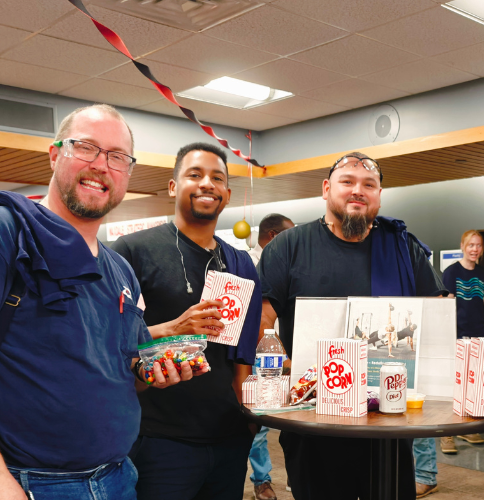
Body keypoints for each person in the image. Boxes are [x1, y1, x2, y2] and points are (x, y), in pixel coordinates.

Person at [0, 104, 204, 500]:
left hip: (118, 477)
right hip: (31, 483)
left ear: (127, 173)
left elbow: (121, 366)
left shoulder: (120, 271)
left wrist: (152, 371)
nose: (101, 165)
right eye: (86, 148)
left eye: (116, 157)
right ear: (56, 154)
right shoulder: (12, 231)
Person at [256, 152, 445, 500]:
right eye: (347, 182)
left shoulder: (403, 247)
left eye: (369, 185)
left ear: (379, 194)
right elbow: (263, 318)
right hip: (313, 421)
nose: (358, 191)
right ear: (327, 189)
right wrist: (283, 366)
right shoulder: (289, 246)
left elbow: (436, 313)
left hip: (388, 423)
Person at [111, 142, 262, 500]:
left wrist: (248, 415)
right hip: (160, 438)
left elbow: (241, 351)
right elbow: (106, 339)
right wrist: (173, 329)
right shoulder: (131, 251)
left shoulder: (239, 263)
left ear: (226, 193)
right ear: (173, 186)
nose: (207, 183)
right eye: (194, 175)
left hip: (228, 435)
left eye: (217, 178)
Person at [246, 213, 294, 500]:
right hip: (256, 354)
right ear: (275, 236)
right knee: (260, 422)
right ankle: (262, 480)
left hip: (281, 355)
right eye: (289, 236)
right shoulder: (248, 264)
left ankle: (293, 474)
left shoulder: (286, 265)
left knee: (290, 417)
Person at [440, 229, 484, 453]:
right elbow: (447, 305)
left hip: (479, 333)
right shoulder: (451, 272)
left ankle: (466, 427)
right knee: (455, 385)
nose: (475, 249)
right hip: (457, 334)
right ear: (462, 246)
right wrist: (447, 334)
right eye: (471, 245)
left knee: (472, 385)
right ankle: (447, 434)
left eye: (479, 245)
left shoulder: (483, 273)